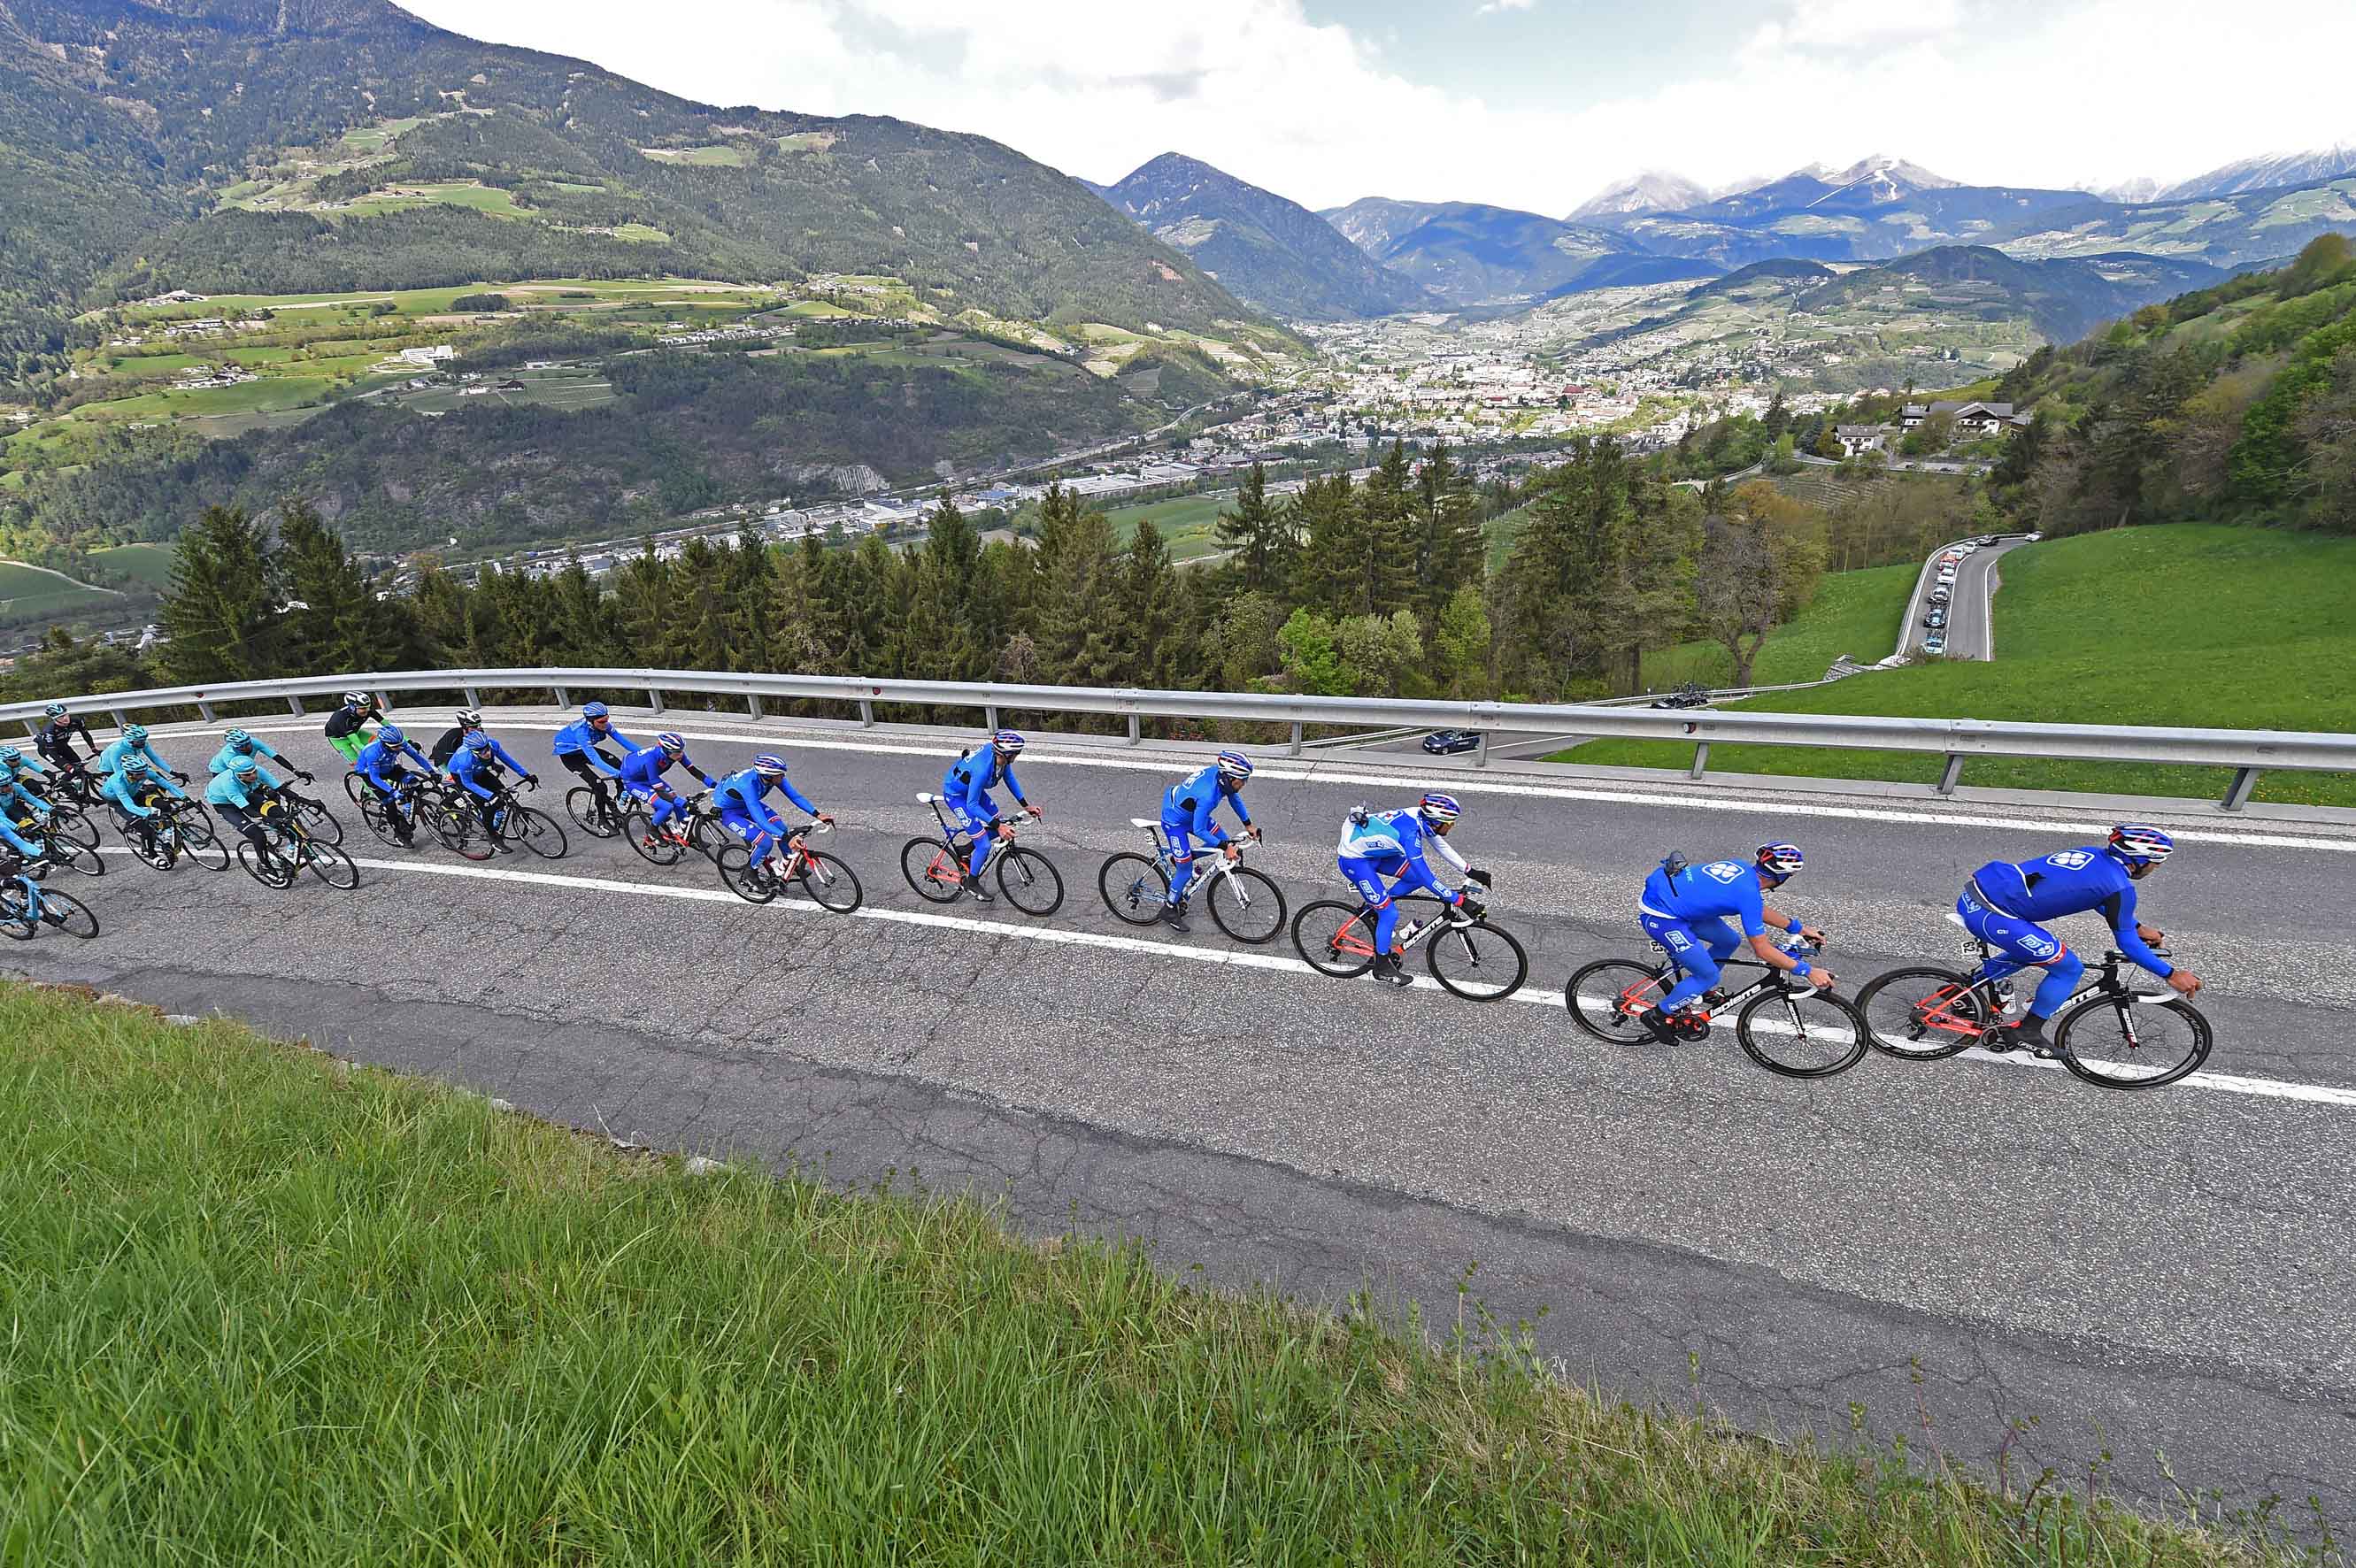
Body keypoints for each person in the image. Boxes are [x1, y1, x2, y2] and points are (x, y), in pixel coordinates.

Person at [1958, 824, 2201, 1057]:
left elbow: (2091, 895)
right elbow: (2127, 944)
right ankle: (2027, 1031)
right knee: (2068, 968)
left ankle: (1960, 993)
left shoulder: (2092, 854)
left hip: (1977, 897)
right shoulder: (2120, 887)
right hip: (1995, 915)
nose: (2154, 869)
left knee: (2038, 950)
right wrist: (2170, 974)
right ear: (2139, 859)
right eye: (2156, 863)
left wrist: (2136, 926)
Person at [1635, 843, 1827, 1041]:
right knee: (1708, 976)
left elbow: (1756, 909)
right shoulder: (1748, 893)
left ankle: (1697, 988)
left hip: (1677, 902)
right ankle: (1656, 1015)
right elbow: (1762, 950)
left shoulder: (1742, 868)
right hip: (1662, 917)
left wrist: (1799, 929)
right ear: (1783, 876)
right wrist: (1808, 971)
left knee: (1729, 940)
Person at [1335, 793, 1485, 988]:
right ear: (1436, 822)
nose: (1452, 826)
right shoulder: (1410, 834)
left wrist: (1470, 870)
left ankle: (1375, 906)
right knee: (1389, 914)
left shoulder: (1419, 816)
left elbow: (1440, 846)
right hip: (1355, 861)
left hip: (1373, 852)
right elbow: (1427, 877)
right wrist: (1460, 901)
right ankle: (1381, 967)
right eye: (1450, 822)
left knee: (1412, 879)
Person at [1158, 750, 1260, 934]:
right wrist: (1225, 847)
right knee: (1185, 869)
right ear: (1228, 778)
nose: (1244, 784)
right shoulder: (1208, 796)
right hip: (1175, 821)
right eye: (1242, 780)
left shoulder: (1220, 777)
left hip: (1192, 812)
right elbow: (1199, 830)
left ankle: (1181, 857)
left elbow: (1234, 798)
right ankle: (1169, 908)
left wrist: (1248, 824)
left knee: (1223, 841)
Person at [939, 730, 1041, 903]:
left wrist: (1026, 805)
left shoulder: (1000, 757)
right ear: (1008, 754)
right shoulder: (982, 770)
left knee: (1000, 822)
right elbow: (972, 805)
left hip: (972, 792)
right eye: (1017, 753)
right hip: (957, 797)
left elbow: (1009, 779)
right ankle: (972, 882)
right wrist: (998, 826)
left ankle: (965, 850)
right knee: (985, 845)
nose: (1018, 755)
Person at [712, 754, 833, 873]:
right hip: (728, 812)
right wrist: (788, 838)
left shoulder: (772, 778)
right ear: (768, 776)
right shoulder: (748, 785)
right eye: (780, 774)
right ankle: (751, 872)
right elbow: (761, 821)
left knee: (781, 828)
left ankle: (787, 865)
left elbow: (795, 796)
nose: (783, 777)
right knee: (765, 842)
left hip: (745, 803)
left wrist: (818, 814)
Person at [617, 732, 715, 850]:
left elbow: (694, 770)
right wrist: (683, 803)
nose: (681, 755)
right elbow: (659, 789)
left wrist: (714, 784)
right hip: (634, 783)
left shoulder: (676, 753)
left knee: (679, 806)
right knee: (666, 807)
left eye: (682, 750)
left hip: (648, 777)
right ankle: (652, 829)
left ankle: (689, 838)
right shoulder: (651, 759)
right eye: (677, 752)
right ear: (666, 751)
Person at [551, 701, 641, 817]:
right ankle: (602, 820)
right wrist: (617, 774)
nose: (606, 724)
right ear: (590, 721)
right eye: (602, 722)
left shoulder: (604, 725)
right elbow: (595, 760)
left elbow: (624, 742)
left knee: (619, 765)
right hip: (570, 758)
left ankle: (619, 796)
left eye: (607, 719)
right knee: (600, 787)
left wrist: (646, 754)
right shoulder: (582, 733)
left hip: (582, 751)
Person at [354, 724, 435, 846]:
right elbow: (375, 778)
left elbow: (416, 757)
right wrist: (393, 792)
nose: (399, 748)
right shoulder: (373, 753)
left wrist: (431, 771)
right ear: (385, 744)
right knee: (390, 802)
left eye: (400, 744)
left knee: (415, 783)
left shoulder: (399, 744)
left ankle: (411, 807)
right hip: (371, 774)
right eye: (396, 746)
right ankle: (398, 833)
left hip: (389, 767)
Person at [448, 729, 538, 836]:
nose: (487, 753)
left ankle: (498, 814)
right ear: (473, 752)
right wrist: (490, 796)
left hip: (479, 770)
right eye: (482, 752)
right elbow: (468, 783)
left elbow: (508, 760)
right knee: (488, 805)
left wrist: (526, 775)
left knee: (504, 793)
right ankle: (493, 837)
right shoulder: (465, 760)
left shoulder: (493, 744)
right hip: (462, 777)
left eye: (487, 749)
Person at [98, 753, 189, 858]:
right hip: (118, 802)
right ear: (130, 774)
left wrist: (185, 797)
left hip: (135, 794)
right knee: (145, 827)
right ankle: (149, 852)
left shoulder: (145, 772)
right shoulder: (117, 782)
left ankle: (164, 833)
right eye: (140, 774)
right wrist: (147, 814)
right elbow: (129, 805)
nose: (144, 775)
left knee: (164, 805)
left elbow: (167, 785)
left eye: (144, 772)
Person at [204, 754, 286, 857]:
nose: (253, 776)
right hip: (226, 806)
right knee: (258, 835)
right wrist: (267, 819)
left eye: (254, 772)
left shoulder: (256, 771)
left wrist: (304, 800)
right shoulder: (229, 783)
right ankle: (264, 864)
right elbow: (248, 810)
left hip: (245, 794)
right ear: (238, 775)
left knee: (281, 814)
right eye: (247, 774)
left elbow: (279, 788)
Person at [208, 728, 317, 797]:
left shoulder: (255, 742)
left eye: (248, 743)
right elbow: (239, 776)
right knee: (247, 790)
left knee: (271, 792)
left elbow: (275, 756)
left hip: (244, 767)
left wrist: (295, 770)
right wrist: (262, 787)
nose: (247, 747)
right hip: (221, 770)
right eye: (242, 746)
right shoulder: (228, 754)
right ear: (234, 746)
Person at [96, 722, 187, 786]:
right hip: (109, 767)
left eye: (144, 740)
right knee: (129, 785)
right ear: (130, 740)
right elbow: (119, 773)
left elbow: (154, 758)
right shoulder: (117, 749)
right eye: (140, 741)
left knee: (156, 775)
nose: (143, 743)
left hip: (129, 762)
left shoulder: (143, 743)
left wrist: (172, 772)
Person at [34, 703, 98, 787]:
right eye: (61, 717)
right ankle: (61, 786)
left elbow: (85, 734)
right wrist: (68, 767)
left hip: (63, 746)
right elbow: (52, 753)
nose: (65, 719)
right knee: (71, 770)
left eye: (65, 715)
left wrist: (94, 749)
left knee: (80, 768)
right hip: (47, 751)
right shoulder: (49, 731)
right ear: (54, 719)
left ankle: (80, 794)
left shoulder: (76, 720)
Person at [324, 690, 383, 766]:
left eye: (368, 707)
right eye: (363, 708)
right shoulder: (340, 717)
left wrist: (402, 738)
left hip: (356, 733)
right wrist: (368, 752)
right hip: (339, 741)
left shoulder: (368, 710)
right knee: (360, 766)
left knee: (380, 743)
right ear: (352, 707)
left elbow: (387, 725)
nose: (367, 710)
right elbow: (357, 743)